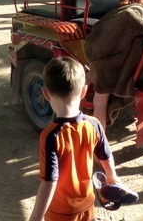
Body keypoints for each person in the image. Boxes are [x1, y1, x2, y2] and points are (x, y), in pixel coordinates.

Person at [29, 57, 120, 221]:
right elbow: (106, 155)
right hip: (87, 205)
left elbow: (49, 182)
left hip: (61, 213)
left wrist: (36, 217)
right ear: (84, 92)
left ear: (45, 94)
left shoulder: (50, 136)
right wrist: (112, 177)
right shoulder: (94, 124)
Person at [84, 0, 143, 128]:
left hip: (94, 52)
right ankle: (99, 138)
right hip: (107, 59)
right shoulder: (135, 12)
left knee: (100, 102)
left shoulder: (116, 11)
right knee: (101, 103)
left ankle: (98, 138)